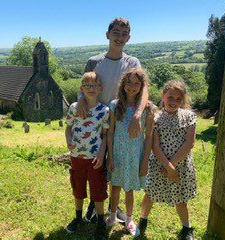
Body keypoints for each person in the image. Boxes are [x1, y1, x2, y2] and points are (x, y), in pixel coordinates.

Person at [79, 17, 148, 223]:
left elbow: (144, 91)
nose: (119, 37)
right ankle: (96, 204)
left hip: (121, 122)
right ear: (107, 35)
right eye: (115, 33)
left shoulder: (132, 62)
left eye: (123, 34)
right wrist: (81, 101)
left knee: (115, 166)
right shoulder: (94, 61)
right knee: (97, 166)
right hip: (98, 123)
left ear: (129, 38)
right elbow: (84, 86)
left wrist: (137, 115)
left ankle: (113, 208)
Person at [138, 80, 197, 240]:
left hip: (181, 165)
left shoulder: (189, 117)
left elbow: (189, 143)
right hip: (158, 164)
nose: (174, 102)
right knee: (150, 195)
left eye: (179, 99)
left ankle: (187, 228)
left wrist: (172, 167)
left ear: (183, 100)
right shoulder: (155, 118)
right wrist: (167, 166)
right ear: (163, 95)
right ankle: (142, 220)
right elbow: (155, 146)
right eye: (170, 97)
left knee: (181, 199)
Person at [105, 68, 154, 237]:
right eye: (129, 82)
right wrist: (110, 156)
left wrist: (145, 161)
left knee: (129, 190)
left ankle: (129, 220)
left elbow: (149, 137)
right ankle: (112, 216)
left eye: (136, 83)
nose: (132, 87)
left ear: (142, 86)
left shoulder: (147, 108)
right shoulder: (114, 105)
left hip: (135, 155)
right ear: (123, 84)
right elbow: (110, 132)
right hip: (117, 154)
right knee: (116, 186)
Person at [65, 72, 109, 240]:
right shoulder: (74, 107)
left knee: (97, 189)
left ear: (100, 88)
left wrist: (101, 153)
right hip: (77, 156)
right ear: (81, 88)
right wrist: (69, 140)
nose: (91, 89)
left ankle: (99, 223)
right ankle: (77, 218)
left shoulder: (104, 111)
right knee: (78, 187)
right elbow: (68, 129)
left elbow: (104, 135)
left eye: (94, 85)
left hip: (95, 158)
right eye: (87, 85)